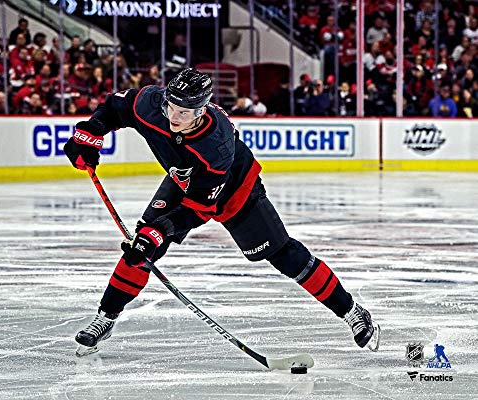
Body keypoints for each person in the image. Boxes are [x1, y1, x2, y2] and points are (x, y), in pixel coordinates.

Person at [63, 68, 381, 357]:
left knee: (283, 254)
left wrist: (160, 231)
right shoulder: (153, 103)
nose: (173, 116)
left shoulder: (216, 145)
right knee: (141, 249)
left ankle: (351, 311)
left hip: (235, 190)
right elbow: (115, 107)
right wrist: (90, 134)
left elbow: (199, 210)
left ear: (201, 111)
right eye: (171, 107)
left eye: (184, 112)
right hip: (183, 179)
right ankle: (106, 316)